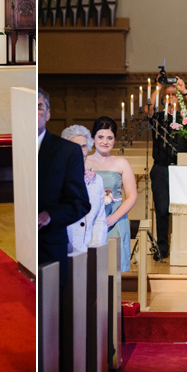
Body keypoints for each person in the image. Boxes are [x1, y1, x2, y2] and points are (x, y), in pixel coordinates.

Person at [37, 89, 91, 281]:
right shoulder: (15, 147)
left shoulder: (67, 151)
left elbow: (80, 202)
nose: (35, 113)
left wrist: (51, 215)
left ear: (48, 113)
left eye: (39, 107)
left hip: (49, 245)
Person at [143, 77, 187, 260]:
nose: (171, 97)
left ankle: (185, 248)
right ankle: (162, 248)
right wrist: (158, 87)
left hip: (182, 170)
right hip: (161, 169)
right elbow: (148, 109)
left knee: (184, 210)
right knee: (162, 210)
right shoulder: (158, 117)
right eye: (168, 95)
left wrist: (183, 90)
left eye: (174, 95)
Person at [85, 117, 137, 273]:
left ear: (114, 140)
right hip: (90, 218)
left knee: (114, 268)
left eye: (110, 138)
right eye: (100, 137)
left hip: (115, 218)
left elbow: (132, 196)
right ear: (93, 138)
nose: (105, 141)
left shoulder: (121, 163)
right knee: (91, 268)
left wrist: (113, 218)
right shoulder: (83, 162)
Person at [60, 124, 107, 254]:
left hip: (91, 251)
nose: (80, 152)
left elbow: (100, 219)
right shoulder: (58, 180)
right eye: (75, 147)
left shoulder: (97, 180)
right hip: (66, 250)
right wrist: (77, 250)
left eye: (84, 146)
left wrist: (96, 246)